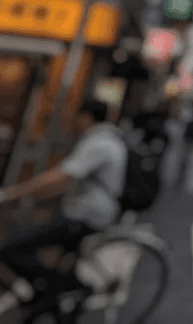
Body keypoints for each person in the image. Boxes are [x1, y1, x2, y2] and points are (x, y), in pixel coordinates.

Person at [0, 99, 126, 311]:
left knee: (11, 248)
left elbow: (62, 176)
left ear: (86, 117)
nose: (75, 122)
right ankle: (57, 295)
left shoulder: (99, 144)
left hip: (87, 215)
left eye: (78, 117)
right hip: (87, 211)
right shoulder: (106, 139)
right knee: (63, 259)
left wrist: (13, 193)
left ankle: (55, 290)